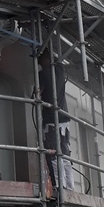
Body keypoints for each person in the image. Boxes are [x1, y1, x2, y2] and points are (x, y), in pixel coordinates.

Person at [39, 52, 75, 192]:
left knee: (53, 154)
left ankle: (60, 187)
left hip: (51, 121)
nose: (40, 64)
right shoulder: (60, 69)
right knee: (64, 153)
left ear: (46, 59)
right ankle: (69, 186)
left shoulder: (43, 74)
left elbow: (38, 93)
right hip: (64, 120)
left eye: (41, 60)